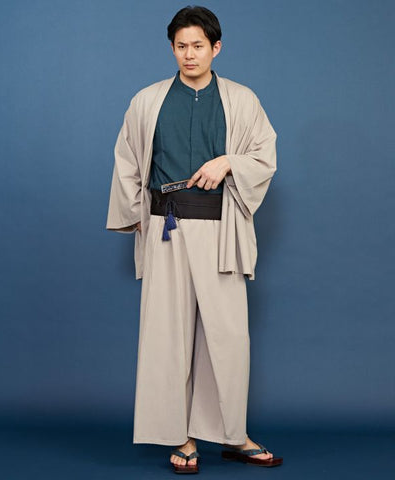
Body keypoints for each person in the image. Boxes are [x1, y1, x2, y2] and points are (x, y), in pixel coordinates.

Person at [106, 5, 283, 474]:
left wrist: (228, 162)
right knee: (167, 334)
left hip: (222, 229)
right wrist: (137, 217)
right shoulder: (147, 100)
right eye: (181, 46)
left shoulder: (242, 100)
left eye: (198, 46)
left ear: (216, 48)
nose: (189, 54)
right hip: (166, 228)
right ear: (172, 48)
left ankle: (232, 434)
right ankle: (181, 437)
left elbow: (264, 157)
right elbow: (127, 160)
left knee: (227, 335)